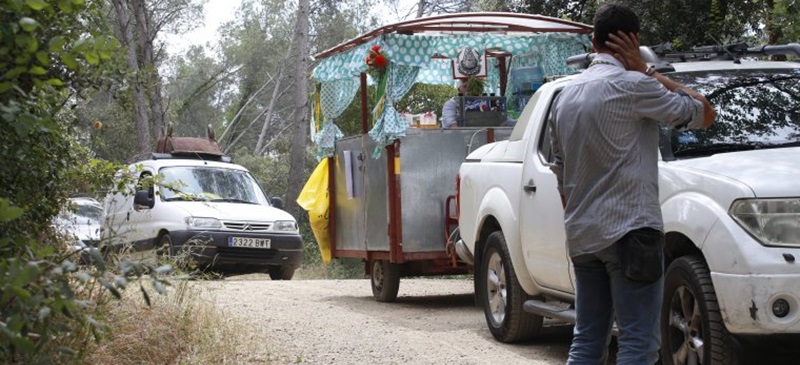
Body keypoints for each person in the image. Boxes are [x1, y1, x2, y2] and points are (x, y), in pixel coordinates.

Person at [548, 3, 716, 365]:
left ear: (593, 43)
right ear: (635, 41)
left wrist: (582, 216)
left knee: (587, 340)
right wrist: (649, 71)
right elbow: (704, 112)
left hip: (582, 235)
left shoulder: (564, 97)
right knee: (638, 344)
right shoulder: (637, 85)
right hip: (632, 233)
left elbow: (559, 171)